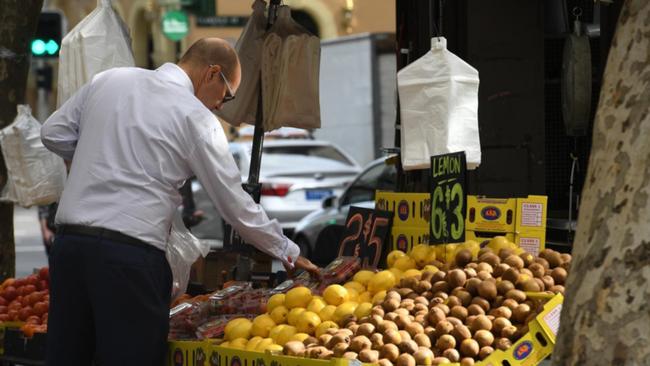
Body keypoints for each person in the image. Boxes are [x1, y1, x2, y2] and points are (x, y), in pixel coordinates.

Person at [41, 38, 320, 366]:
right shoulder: (196, 119)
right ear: (212, 74)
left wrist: (101, 157)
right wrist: (287, 249)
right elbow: (235, 205)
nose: (221, 106)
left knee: (68, 356)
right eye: (227, 96)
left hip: (71, 247)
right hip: (129, 257)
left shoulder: (110, 79)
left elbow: (52, 132)